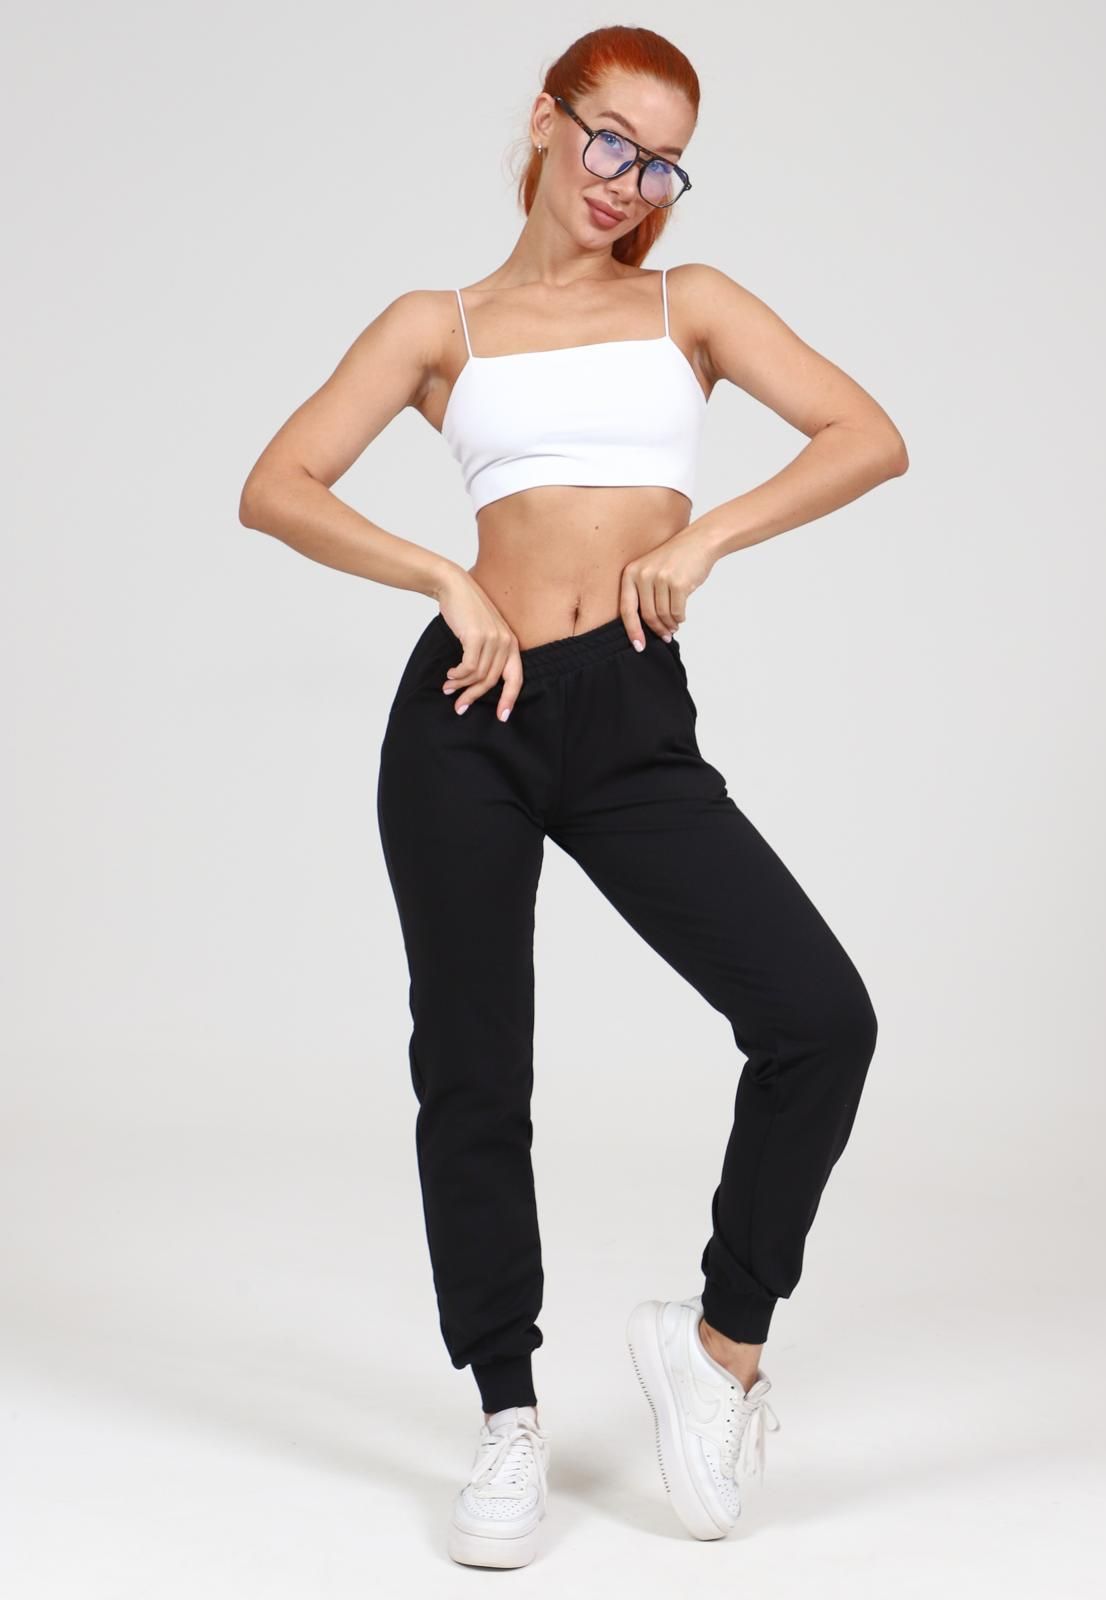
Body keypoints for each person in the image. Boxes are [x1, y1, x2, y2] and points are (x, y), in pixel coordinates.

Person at [239, 24, 907, 1569]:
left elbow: (869, 437)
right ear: (546, 121)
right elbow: (277, 485)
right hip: (468, 715)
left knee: (820, 1018)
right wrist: (440, 577)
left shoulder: (691, 305)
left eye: (663, 162)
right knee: (474, 1068)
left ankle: (718, 1350)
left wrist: (707, 536)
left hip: (627, 713)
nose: (629, 181)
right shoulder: (440, 325)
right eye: (610, 139)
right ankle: (506, 1417)